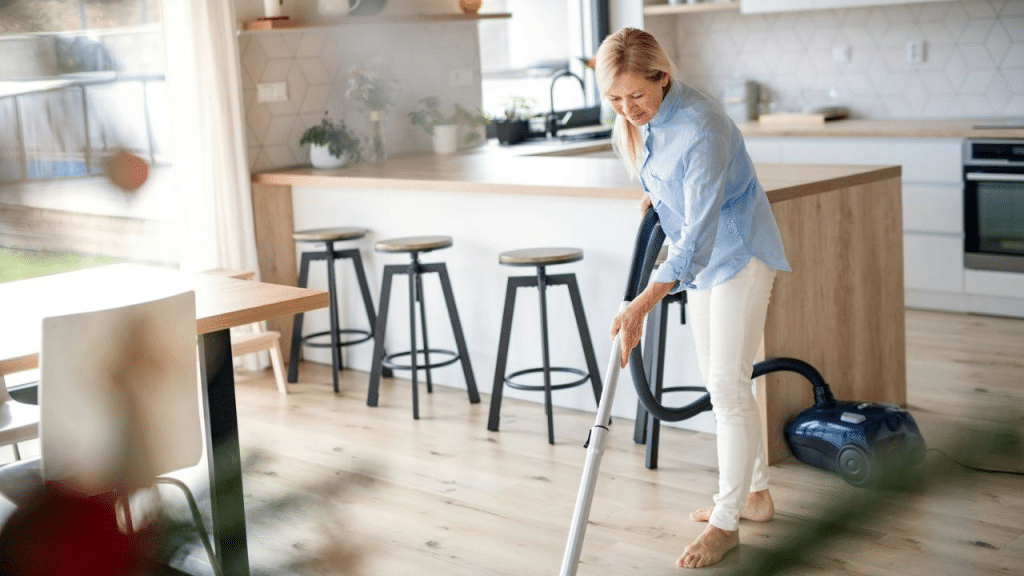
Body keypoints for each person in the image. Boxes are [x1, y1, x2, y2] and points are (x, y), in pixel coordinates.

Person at [597, 28, 791, 569]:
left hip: (738, 256)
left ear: (663, 76)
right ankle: (755, 496)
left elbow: (699, 239)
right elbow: (672, 174)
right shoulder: (648, 120)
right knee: (724, 384)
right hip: (705, 262)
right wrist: (656, 196)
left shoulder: (702, 127)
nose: (627, 108)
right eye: (614, 98)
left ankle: (727, 524)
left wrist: (641, 304)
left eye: (636, 95)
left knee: (727, 388)